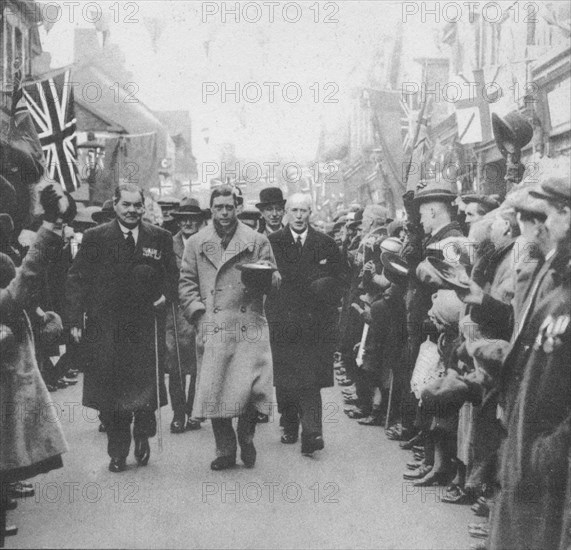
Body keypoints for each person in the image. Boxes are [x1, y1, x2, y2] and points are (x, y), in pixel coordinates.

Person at [66, 183, 178, 473]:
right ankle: (117, 452)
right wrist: (76, 319)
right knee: (112, 396)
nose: (131, 211)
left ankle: (143, 433)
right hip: (108, 328)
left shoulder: (160, 238)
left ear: (143, 207)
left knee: (143, 394)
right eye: (125, 205)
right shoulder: (94, 238)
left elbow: (172, 278)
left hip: (144, 326)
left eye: (136, 205)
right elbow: (77, 279)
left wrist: (166, 296)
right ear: (115, 205)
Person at [488, 175, 571, 550]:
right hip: (529, 445)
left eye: (546, 215)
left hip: (548, 458)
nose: (538, 225)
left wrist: (548, 449)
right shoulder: (556, 278)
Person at [178, 185, 277, 470]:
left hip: (249, 325)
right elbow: (186, 283)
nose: (224, 212)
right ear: (211, 210)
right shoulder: (196, 243)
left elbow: (273, 274)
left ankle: (246, 435)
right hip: (214, 325)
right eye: (218, 207)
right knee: (216, 387)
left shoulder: (256, 240)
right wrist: (199, 315)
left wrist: (267, 279)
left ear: (237, 208)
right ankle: (225, 448)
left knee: (250, 388)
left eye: (229, 207)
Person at [265, 193, 346, 455]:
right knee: (286, 379)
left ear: (310, 213)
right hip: (283, 321)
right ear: (287, 213)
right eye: (294, 210)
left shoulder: (326, 243)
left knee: (310, 380)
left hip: (314, 324)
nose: (299, 216)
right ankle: (289, 423)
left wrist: (327, 300)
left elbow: (339, 279)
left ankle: (312, 432)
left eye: (304, 211)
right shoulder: (272, 243)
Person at [167, 197, 208, 433]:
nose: (188, 223)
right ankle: (178, 413)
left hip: (199, 309)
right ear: (179, 222)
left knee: (199, 361)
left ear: (200, 221)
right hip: (173, 311)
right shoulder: (168, 244)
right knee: (176, 365)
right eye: (184, 219)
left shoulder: (207, 244)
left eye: (193, 219)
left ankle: (194, 412)